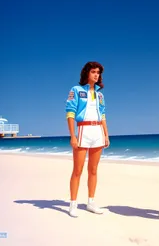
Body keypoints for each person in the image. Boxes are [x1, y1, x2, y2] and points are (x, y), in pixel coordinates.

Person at [65, 61, 110, 217]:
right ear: (86, 73)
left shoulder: (100, 95)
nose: (96, 75)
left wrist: (106, 134)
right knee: (77, 170)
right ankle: (73, 204)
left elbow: (103, 115)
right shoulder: (76, 90)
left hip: (97, 131)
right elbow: (70, 113)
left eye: (98, 72)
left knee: (93, 170)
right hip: (83, 130)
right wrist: (73, 136)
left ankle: (91, 202)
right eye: (93, 72)